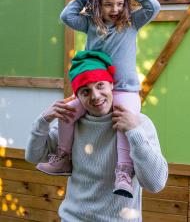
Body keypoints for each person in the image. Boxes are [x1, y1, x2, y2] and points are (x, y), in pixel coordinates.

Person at [36, 0, 161, 198]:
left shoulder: (132, 23)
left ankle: (123, 172)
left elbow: (153, 6)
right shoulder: (91, 24)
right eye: (108, 4)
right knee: (67, 111)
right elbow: (67, 16)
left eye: (120, 3)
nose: (115, 9)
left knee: (124, 120)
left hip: (124, 90)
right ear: (97, 3)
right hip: (95, 89)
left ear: (126, 2)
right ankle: (64, 157)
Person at [25, 50, 168, 222]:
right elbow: (33, 156)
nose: (95, 96)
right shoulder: (70, 126)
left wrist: (134, 132)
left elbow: (155, 184)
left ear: (111, 85)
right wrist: (43, 121)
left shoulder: (139, 123)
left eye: (100, 85)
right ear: (77, 96)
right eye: (85, 91)